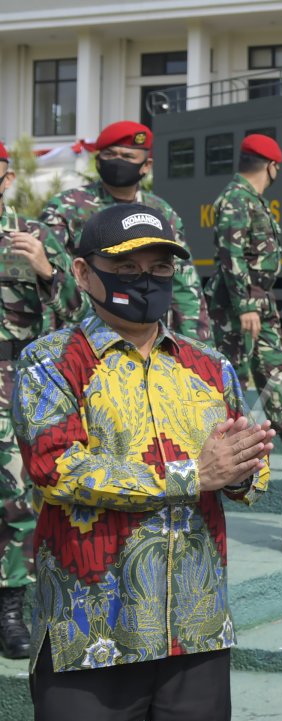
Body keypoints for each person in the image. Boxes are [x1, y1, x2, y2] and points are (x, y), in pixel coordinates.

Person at [13, 203, 272, 721]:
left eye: (159, 267)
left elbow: (245, 473)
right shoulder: (51, 362)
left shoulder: (210, 367)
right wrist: (191, 474)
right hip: (92, 630)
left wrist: (238, 472)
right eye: (127, 265)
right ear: (81, 273)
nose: (147, 279)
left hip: (197, 631)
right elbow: (57, 467)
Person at [0, 141, 85, 659]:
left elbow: (75, 316)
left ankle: (10, 605)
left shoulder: (33, 237)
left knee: (13, 498)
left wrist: (48, 273)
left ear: (6, 179)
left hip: (12, 380)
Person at [40, 120, 210, 341]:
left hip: (147, 332)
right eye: (110, 155)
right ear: (98, 160)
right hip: (86, 332)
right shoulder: (67, 207)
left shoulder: (162, 212)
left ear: (146, 165)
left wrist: (197, 345)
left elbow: (185, 284)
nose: (118, 161)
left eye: (128, 157)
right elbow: (49, 275)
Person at [209, 133, 282, 455]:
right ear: (272, 166)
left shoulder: (251, 199)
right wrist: (245, 304)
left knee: (273, 369)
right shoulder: (237, 198)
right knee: (233, 376)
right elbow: (231, 255)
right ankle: (225, 451)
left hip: (259, 300)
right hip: (239, 304)